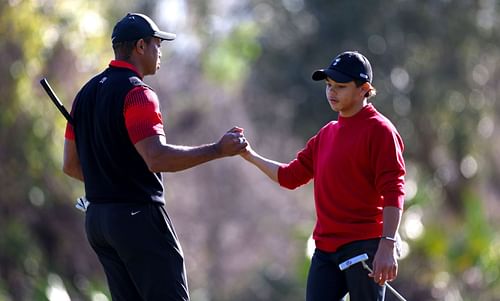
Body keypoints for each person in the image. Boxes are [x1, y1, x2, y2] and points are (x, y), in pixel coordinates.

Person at [62, 13, 247, 301]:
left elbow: (70, 165)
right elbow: (156, 158)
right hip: (137, 218)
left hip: (98, 221)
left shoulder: (84, 95)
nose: (160, 53)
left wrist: (108, 178)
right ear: (140, 46)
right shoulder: (138, 94)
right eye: (157, 45)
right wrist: (217, 149)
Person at [240, 51, 405, 301]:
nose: (331, 92)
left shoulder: (380, 131)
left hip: (364, 246)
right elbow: (289, 176)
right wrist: (249, 154)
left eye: (340, 86)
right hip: (326, 250)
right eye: (329, 85)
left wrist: (388, 243)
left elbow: (394, 190)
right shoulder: (326, 135)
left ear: (365, 89)